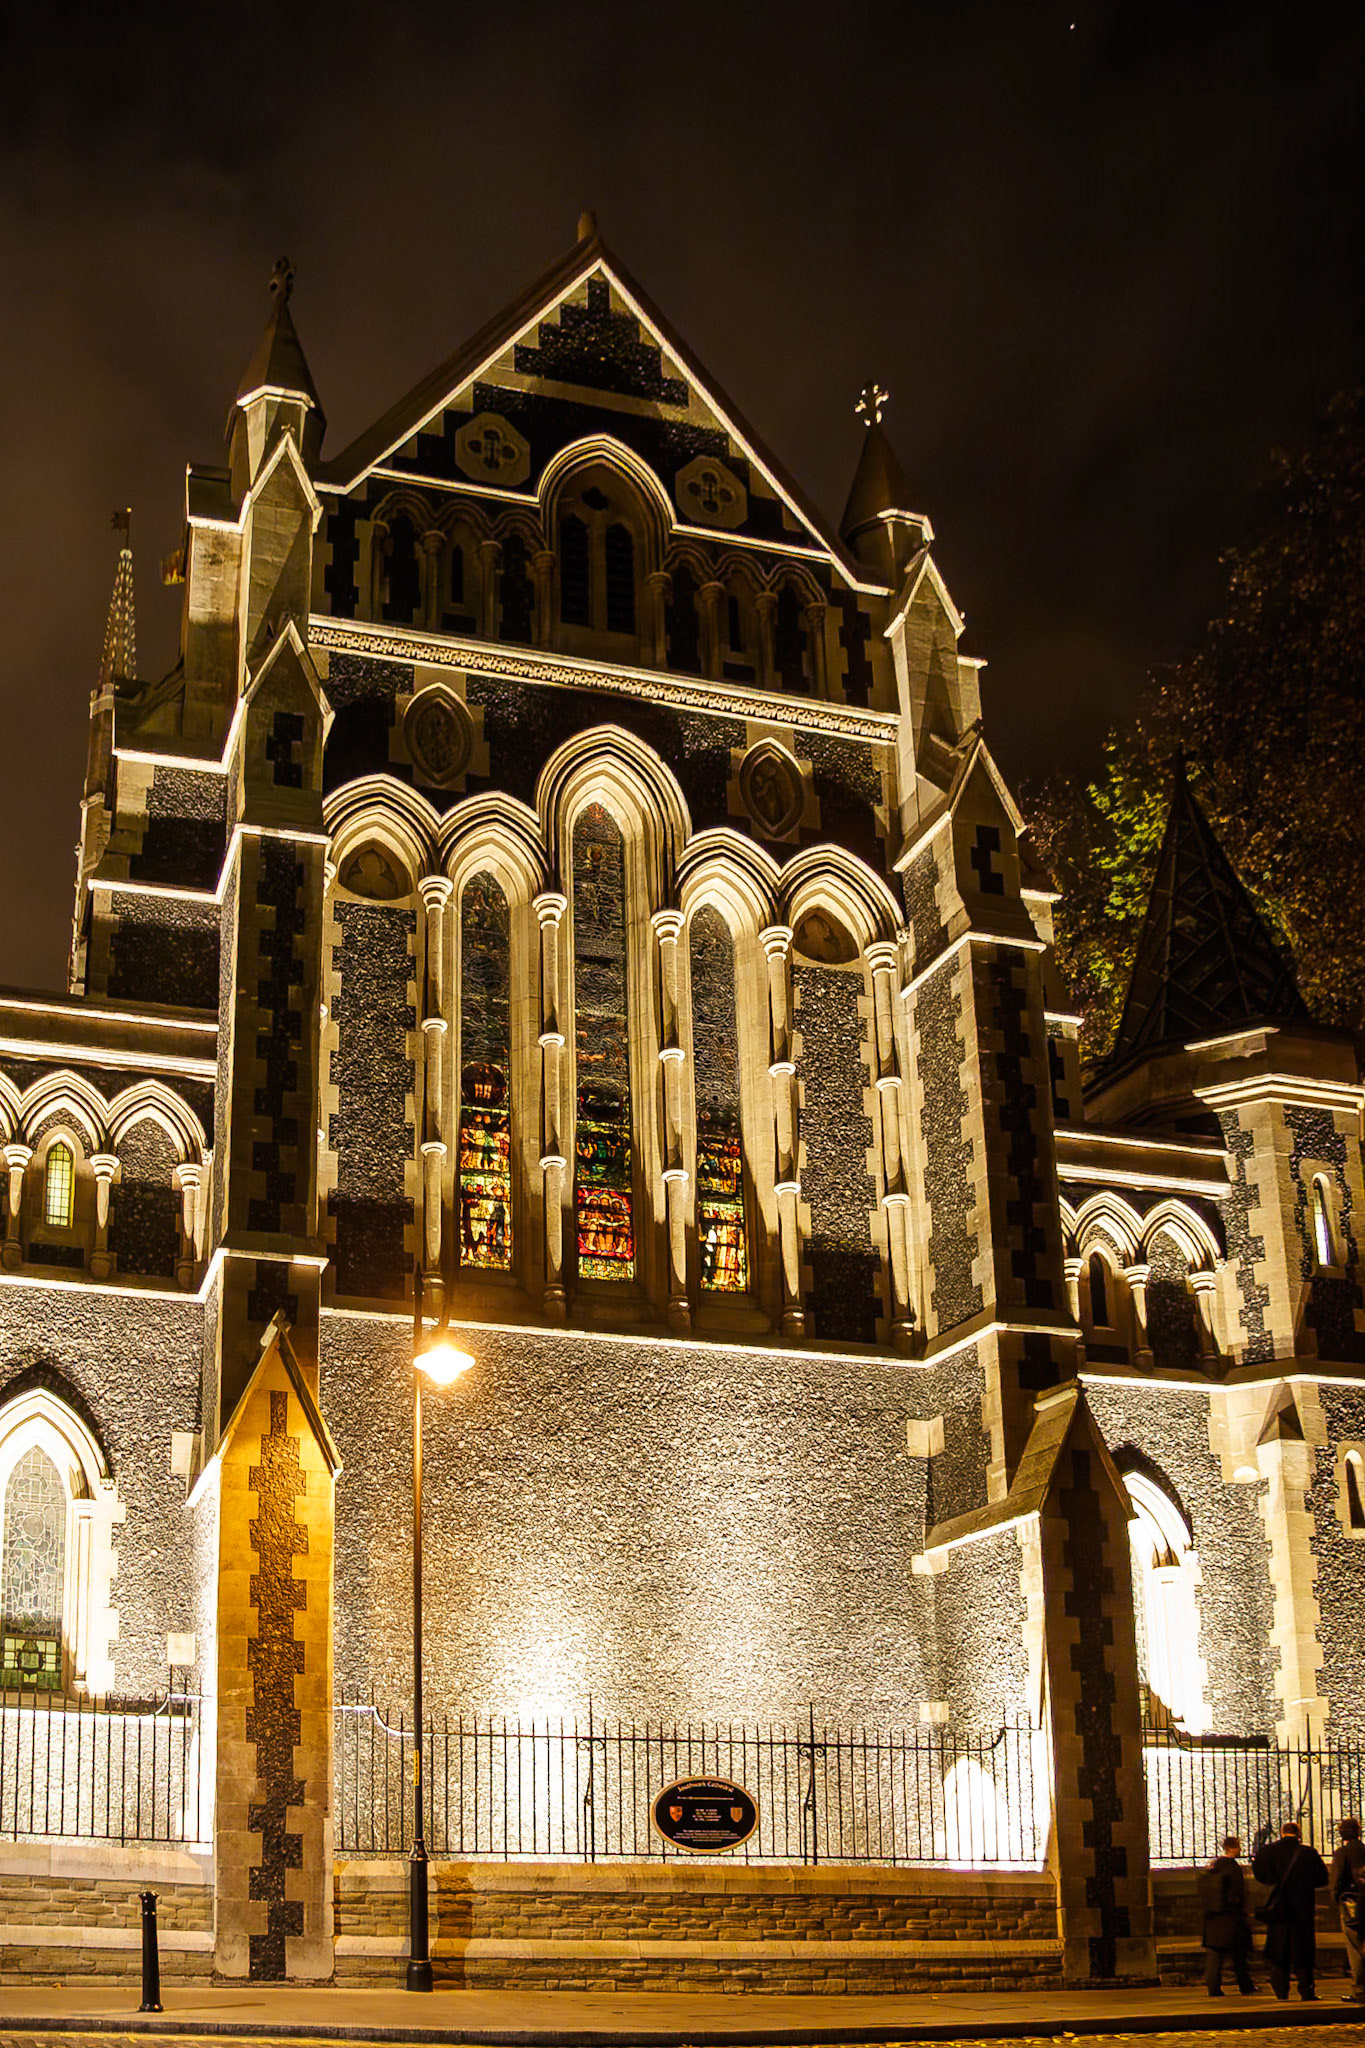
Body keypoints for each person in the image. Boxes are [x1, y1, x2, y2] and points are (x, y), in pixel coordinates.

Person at [1253, 1820, 1330, 2000]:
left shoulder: (1267, 1852)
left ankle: (1281, 1990)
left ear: (1282, 1833)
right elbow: (1322, 1879)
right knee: (1303, 1950)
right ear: (1299, 1834)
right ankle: (1306, 1990)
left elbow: (1260, 1875)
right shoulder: (1308, 1853)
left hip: (1278, 1908)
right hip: (1302, 1908)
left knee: (1278, 1949)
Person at [1201, 1834, 1255, 1995]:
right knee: (1239, 1954)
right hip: (1231, 1917)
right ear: (1231, 1848)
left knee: (1215, 1954)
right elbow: (1238, 1892)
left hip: (1212, 1918)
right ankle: (1245, 1986)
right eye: (1238, 1846)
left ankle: (1213, 1987)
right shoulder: (1233, 1868)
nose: (1240, 1850)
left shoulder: (1212, 1867)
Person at [1330, 1817, 1365, 2003]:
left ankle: (1360, 1990)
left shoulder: (1342, 1853)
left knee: (1354, 1947)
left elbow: (1336, 1882)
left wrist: (1336, 1899)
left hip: (1352, 1904)